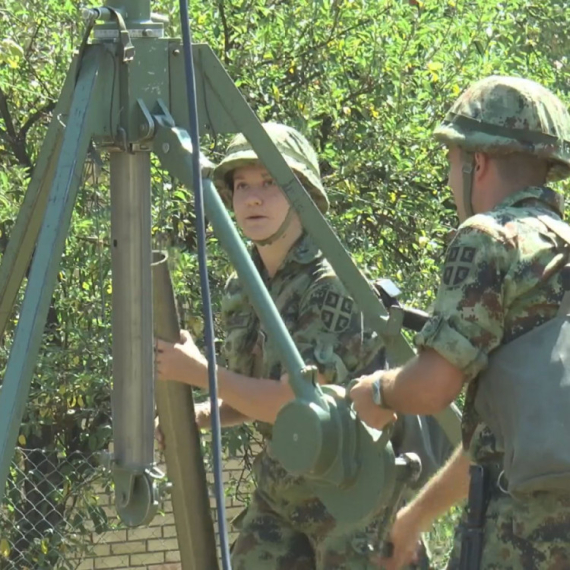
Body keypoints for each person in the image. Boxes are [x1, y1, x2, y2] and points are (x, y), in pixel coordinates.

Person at [155, 122, 450, 569]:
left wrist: (197, 372)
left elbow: (294, 401)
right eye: (242, 185)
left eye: (270, 183)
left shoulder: (333, 284)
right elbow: (252, 393)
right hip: (285, 486)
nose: (253, 197)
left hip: (353, 491)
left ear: (305, 195)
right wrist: (201, 413)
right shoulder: (244, 283)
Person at [349, 75, 570, 569]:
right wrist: (414, 519)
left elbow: (432, 389)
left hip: (519, 540)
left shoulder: (490, 237)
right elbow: (504, 434)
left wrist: (378, 391)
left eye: (453, 163)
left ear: (478, 162)